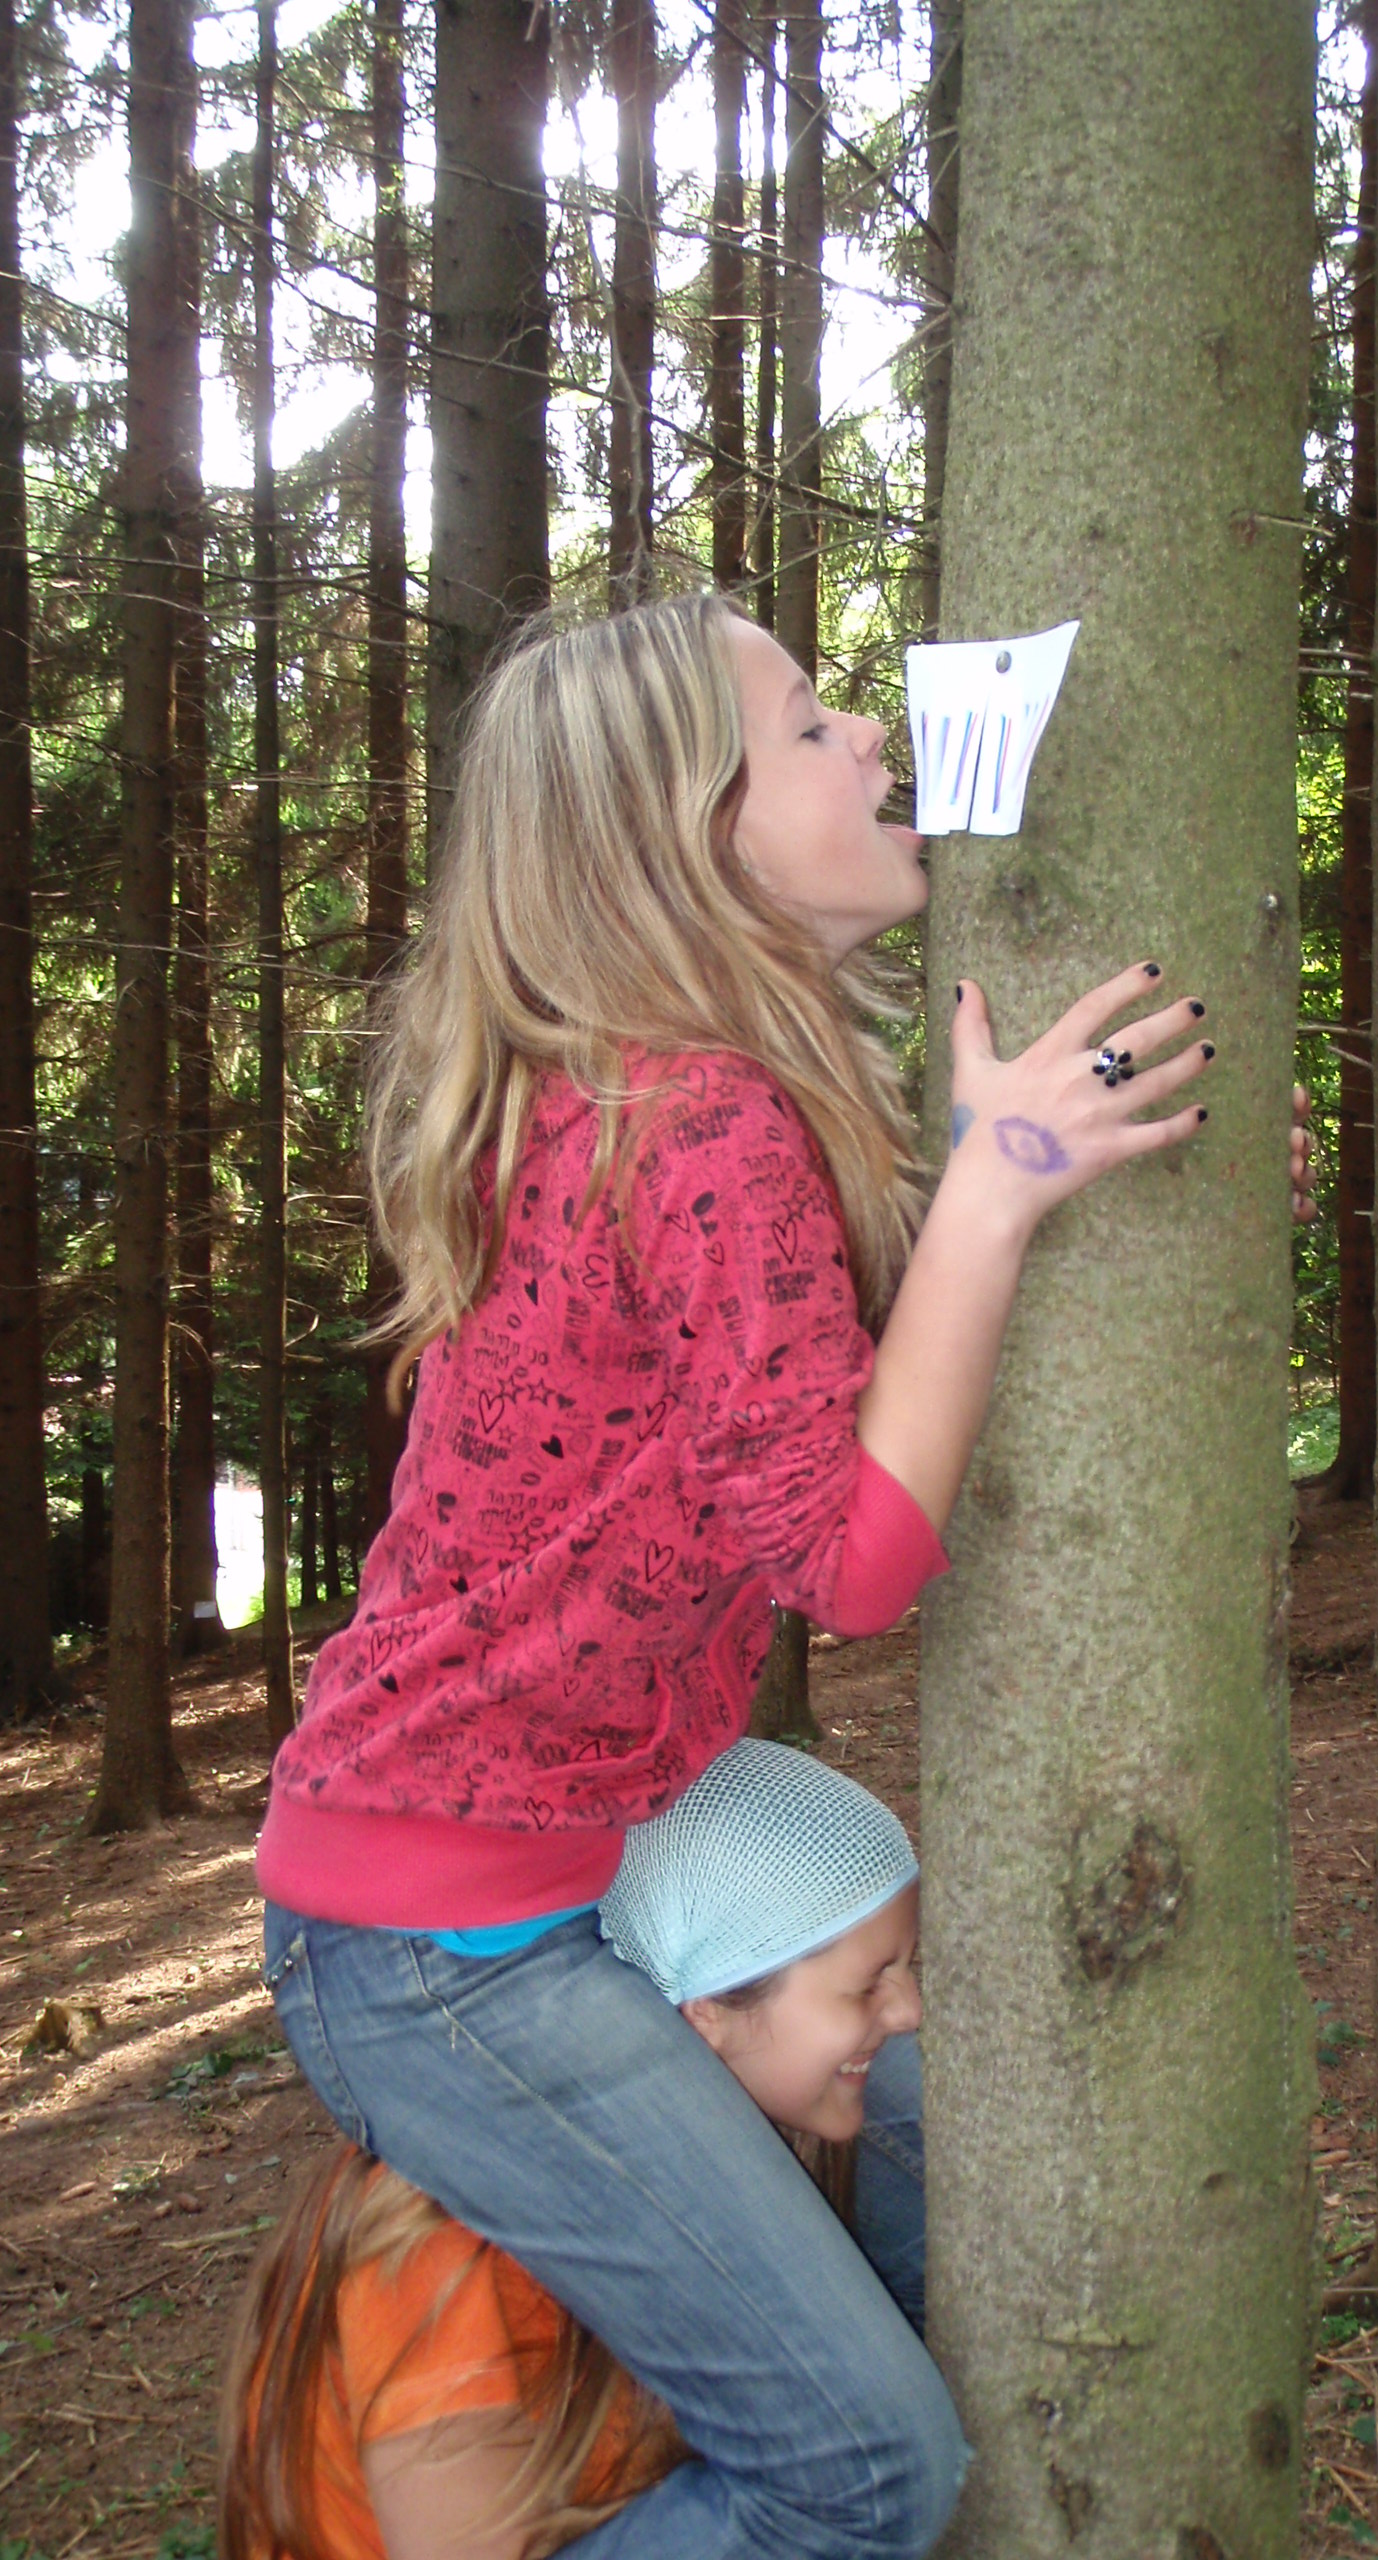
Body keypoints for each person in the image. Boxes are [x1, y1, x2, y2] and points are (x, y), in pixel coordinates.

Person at [255, 592, 1305, 2557]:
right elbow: (849, 1556)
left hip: (535, 1878)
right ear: (688, 834)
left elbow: (807, 1397)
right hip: (439, 1950)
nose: (874, 739)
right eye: (812, 727)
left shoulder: (659, 1095)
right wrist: (999, 1190)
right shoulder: (696, 1117)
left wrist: (1091, 1197)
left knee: (966, 2202)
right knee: (864, 2465)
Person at [223, 1745, 926, 2560]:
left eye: (908, 1968)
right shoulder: (450, 2238)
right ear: (706, 2011)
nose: (908, 2009)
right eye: (868, 1983)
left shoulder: (741, 2153)